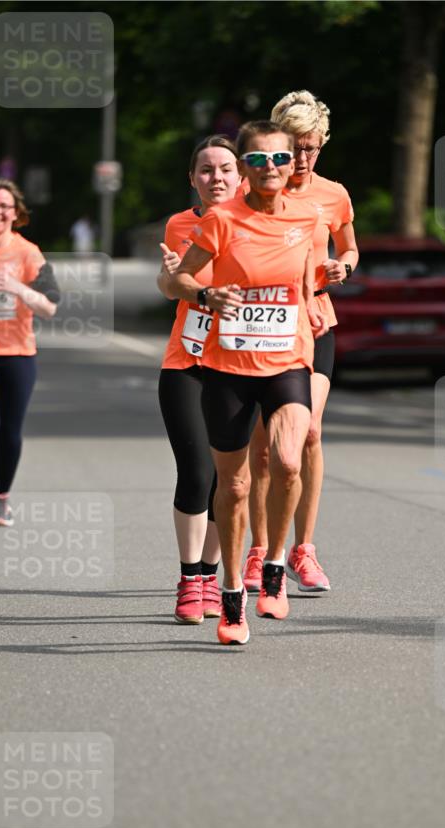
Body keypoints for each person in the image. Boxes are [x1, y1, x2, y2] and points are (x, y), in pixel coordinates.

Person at [164, 120, 325, 645]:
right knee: (232, 486)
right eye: (257, 159)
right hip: (227, 367)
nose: (270, 168)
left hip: (287, 361)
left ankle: (275, 566)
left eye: (279, 159)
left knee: (288, 460)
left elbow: (307, 281)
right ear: (246, 168)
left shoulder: (309, 216)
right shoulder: (221, 220)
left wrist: (314, 305)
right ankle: (230, 594)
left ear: (291, 164)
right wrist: (206, 295)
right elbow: (179, 279)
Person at [242, 91, 358, 596]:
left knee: (309, 431)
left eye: (311, 147)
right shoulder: (255, 189)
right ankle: (258, 549)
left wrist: (342, 266)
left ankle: (303, 548)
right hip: (265, 326)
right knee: (265, 446)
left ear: (322, 144)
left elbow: (349, 246)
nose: (303, 158)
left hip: (315, 322)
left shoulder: (333, 195)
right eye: (295, 147)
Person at [157, 135, 241, 624]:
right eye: (206, 170)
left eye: (226, 168)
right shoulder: (180, 224)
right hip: (186, 362)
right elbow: (170, 288)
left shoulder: (260, 225)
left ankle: (211, 575)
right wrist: (171, 276)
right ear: (193, 178)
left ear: (241, 175)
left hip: (243, 367)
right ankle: (190, 579)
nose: (216, 178)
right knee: (196, 471)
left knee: (229, 479)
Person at [0, 178, 60, 530]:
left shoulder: (28, 253)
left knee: (9, 429)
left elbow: (49, 307)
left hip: (18, 352)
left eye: (4, 206)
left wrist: (16, 287)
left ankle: (1, 498)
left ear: (16, 213)